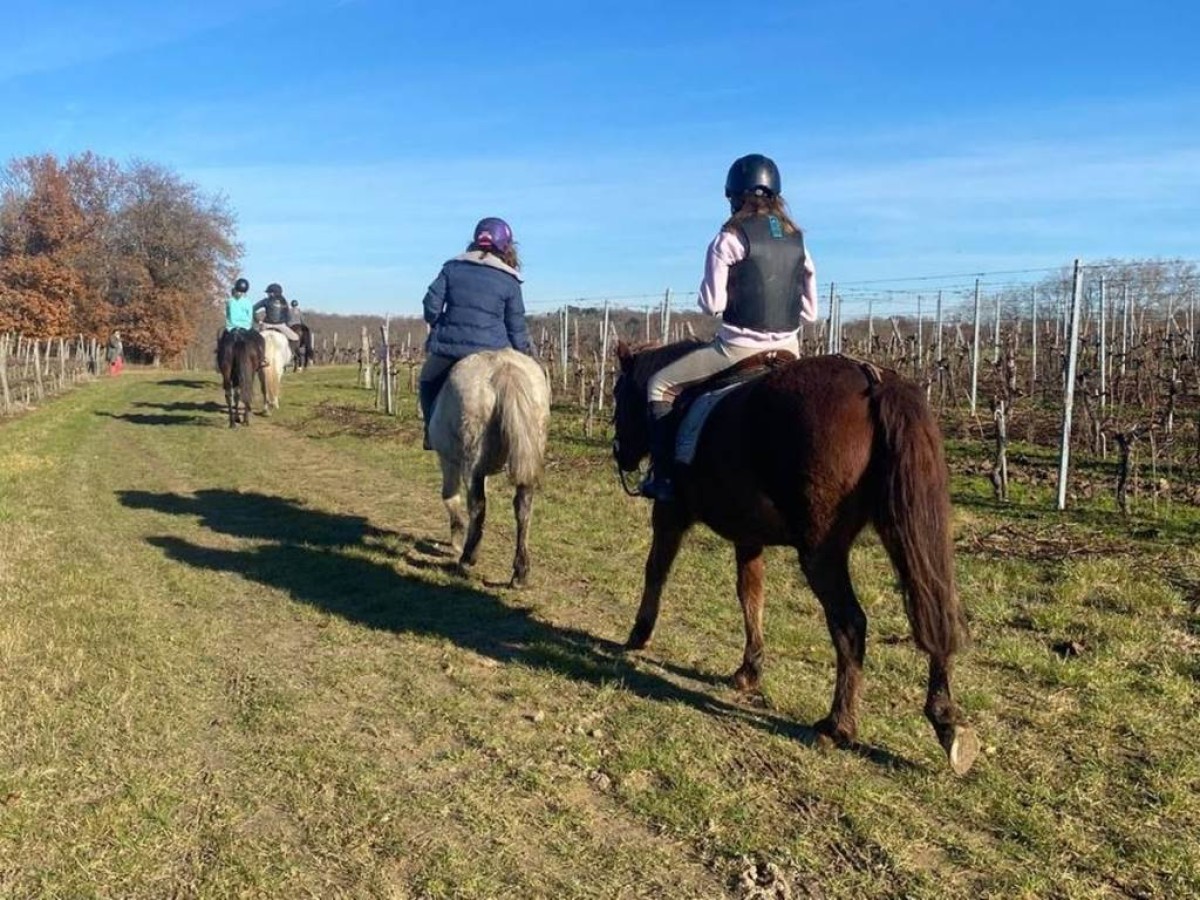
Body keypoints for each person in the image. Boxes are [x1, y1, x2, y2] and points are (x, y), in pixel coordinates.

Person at [639, 153, 818, 502]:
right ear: (776, 194)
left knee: (658, 385)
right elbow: (810, 312)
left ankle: (664, 479)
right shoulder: (799, 241)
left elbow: (712, 305)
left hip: (736, 349)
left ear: (734, 196)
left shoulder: (729, 238)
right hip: (790, 350)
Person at [419, 216, 532, 449]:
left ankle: (431, 432)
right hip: (495, 350)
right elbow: (516, 325)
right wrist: (524, 355)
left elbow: (430, 307)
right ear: (506, 247)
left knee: (427, 380)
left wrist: (440, 323)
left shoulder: (452, 268)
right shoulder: (509, 280)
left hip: (451, 349)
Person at [222, 277, 267, 364]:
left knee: (221, 340)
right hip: (246, 328)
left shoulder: (229, 301)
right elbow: (250, 317)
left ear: (236, 288)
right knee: (261, 339)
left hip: (231, 328)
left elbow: (227, 314)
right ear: (246, 290)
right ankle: (262, 359)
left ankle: (219, 358)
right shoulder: (248, 302)